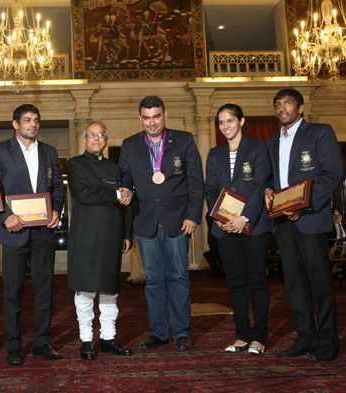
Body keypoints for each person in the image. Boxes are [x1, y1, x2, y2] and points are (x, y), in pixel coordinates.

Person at [119, 96, 204, 351]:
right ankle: (158, 332)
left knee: (178, 276)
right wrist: (124, 189)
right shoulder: (130, 145)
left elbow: (196, 182)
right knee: (154, 280)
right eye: (147, 117)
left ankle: (181, 332)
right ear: (140, 118)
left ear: (164, 115)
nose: (152, 122)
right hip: (145, 223)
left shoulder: (185, 140)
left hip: (178, 220)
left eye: (156, 116)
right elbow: (124, 177)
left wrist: (192, 215)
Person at [265, 88, 343, 361]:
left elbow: (332, 174)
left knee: (319, 283)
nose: (281, 108)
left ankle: (326, 341)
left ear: (300, 107)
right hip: (284, 224)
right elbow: (270, 179)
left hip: (311, 220)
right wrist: (267, 191)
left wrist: (304, 205)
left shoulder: (320, 133)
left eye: (287, 103)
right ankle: (304, 337)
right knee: (294, 285)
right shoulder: (272, 141)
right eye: (277, 104)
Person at [0, 104, 65, 366]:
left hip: (43, 232)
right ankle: (14, 346)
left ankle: (42, 343)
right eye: (27, 120)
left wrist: (56, 210)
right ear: (15, 124)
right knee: (12, 292)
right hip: (13, 232)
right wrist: (4, 216)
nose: (33, 125)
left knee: (45, 290)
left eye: (36, 121)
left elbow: (57, 188)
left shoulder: (50, 152)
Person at [205, 103, 271, 355]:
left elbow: (261, 183)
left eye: (230, 121)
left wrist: (244, 217)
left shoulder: (257, 148)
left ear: (241, 121)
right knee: (235, 282)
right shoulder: (214, 154)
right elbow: (210, 189)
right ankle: (242, 334)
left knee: (257, 280)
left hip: (253, 226)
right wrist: (219, 217)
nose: (225, 127)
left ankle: (260, 337)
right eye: (221, 122)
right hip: (225, 227)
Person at [67, 121, 133, 360]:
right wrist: (116, 194)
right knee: (85, 289)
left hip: (112, 234)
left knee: (109, 289)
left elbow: (125, 205)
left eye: (101, 136)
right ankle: (86, 340)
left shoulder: (115, 169)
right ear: (85, 139)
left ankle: (108, 338)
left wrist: (126, 233)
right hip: (85, 235)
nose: (96, 139)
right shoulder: (75, 165)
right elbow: (83, 194)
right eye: (92, 135)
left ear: (106, 140)